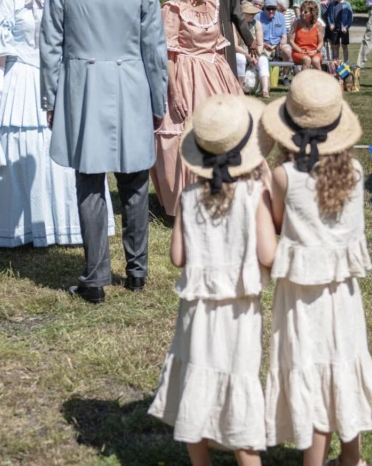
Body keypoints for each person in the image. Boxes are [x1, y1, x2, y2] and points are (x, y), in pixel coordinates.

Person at [40, 0, 168, 304]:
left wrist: (50, 98)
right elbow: (155, 51)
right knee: (134, 178)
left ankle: (95, 278)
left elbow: (50, 46)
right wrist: (158, 102)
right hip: (131, 84)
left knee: (90, 180)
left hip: (84, 87)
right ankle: (137, 271)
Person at [261, 70, 372, 464]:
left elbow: (278, 225)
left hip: (303, 297)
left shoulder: (284, 177)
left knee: (311, 374)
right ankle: (351, 459)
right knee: (343, 368)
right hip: (344, 295)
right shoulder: (354, 172)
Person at [148, 94, 277, 466]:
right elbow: (268, 254)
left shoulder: (188, 197)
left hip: (196, 312)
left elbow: (177, 258)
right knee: (239, 388)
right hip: (239, 312)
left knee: (197, 381)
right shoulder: (255, 196)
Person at [0, 0, 111, 249]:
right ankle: (19, 226)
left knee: (61, 152)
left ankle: (66, 224)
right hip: (22, 81)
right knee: (25, 149)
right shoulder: (10, 0)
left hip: (60, 78)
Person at [151, 0, 244, 218]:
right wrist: (175, 91)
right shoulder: (173, 8)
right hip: (186, 76)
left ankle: (226, 195)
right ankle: (192, 202)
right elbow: (167, 53)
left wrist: (232, 82)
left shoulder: (213, 6)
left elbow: (218, 45)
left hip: (216, 74)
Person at [235, 1, 270, 96]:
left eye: (254, 13)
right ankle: (239, 88)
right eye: (250, 13)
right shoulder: (234, 24)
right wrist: (248, 55)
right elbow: (235, 46)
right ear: (243, 14)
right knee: (240, 58)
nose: (253, 15)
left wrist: (256, 55)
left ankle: (265, 90)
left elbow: (260, 43)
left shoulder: (257, 24)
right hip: (240, 52)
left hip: (255, 52)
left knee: (263, 60)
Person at [290, 0, 324, 70]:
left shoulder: (318, 25)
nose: (302, 13)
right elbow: (291, 41)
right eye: (301, 10)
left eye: (305, 12)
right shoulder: (296, 23)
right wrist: (300, 50)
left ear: (312, 13)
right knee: (307, 59)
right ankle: (304, 80)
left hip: (314, 51)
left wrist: (316, 51)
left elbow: (321, 42)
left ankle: (320, 80)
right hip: (298, 52)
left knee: (316, 61)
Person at [326, 0, 354, 64]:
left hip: (344, 28)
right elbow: (329, 15)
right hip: (335, 28)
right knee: (335, 46)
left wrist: (346, 27)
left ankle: (346, 63)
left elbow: (350, 18)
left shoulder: (347, 5)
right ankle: (336, 63)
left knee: (344, 46)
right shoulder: (332, 4)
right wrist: (331, 24)